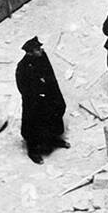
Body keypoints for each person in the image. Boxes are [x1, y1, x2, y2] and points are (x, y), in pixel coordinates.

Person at [15, 37, 69, 165]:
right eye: (37, 49)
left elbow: (50, 74)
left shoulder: (42, 57)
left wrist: (53, 92)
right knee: (35, 125)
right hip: (34, 101)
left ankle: (53, 139)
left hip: (49, 95)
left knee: (55, 114)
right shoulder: (22, 67)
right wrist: (38, 95)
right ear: (29, 53)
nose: (41, 50)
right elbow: (22, 87)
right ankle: (34, 151)